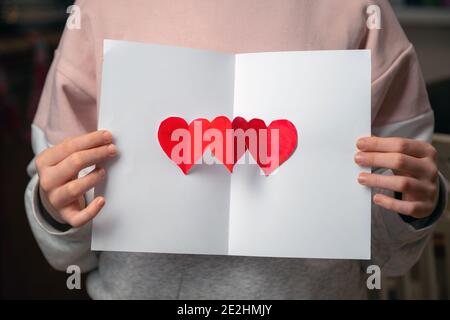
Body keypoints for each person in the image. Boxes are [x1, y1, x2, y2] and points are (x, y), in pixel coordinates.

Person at [25, 0, 448, 299]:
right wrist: (54, 205)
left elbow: (391, 245)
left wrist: (415, 203)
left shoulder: (360, 8)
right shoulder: (100, 8)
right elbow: (64, 238)